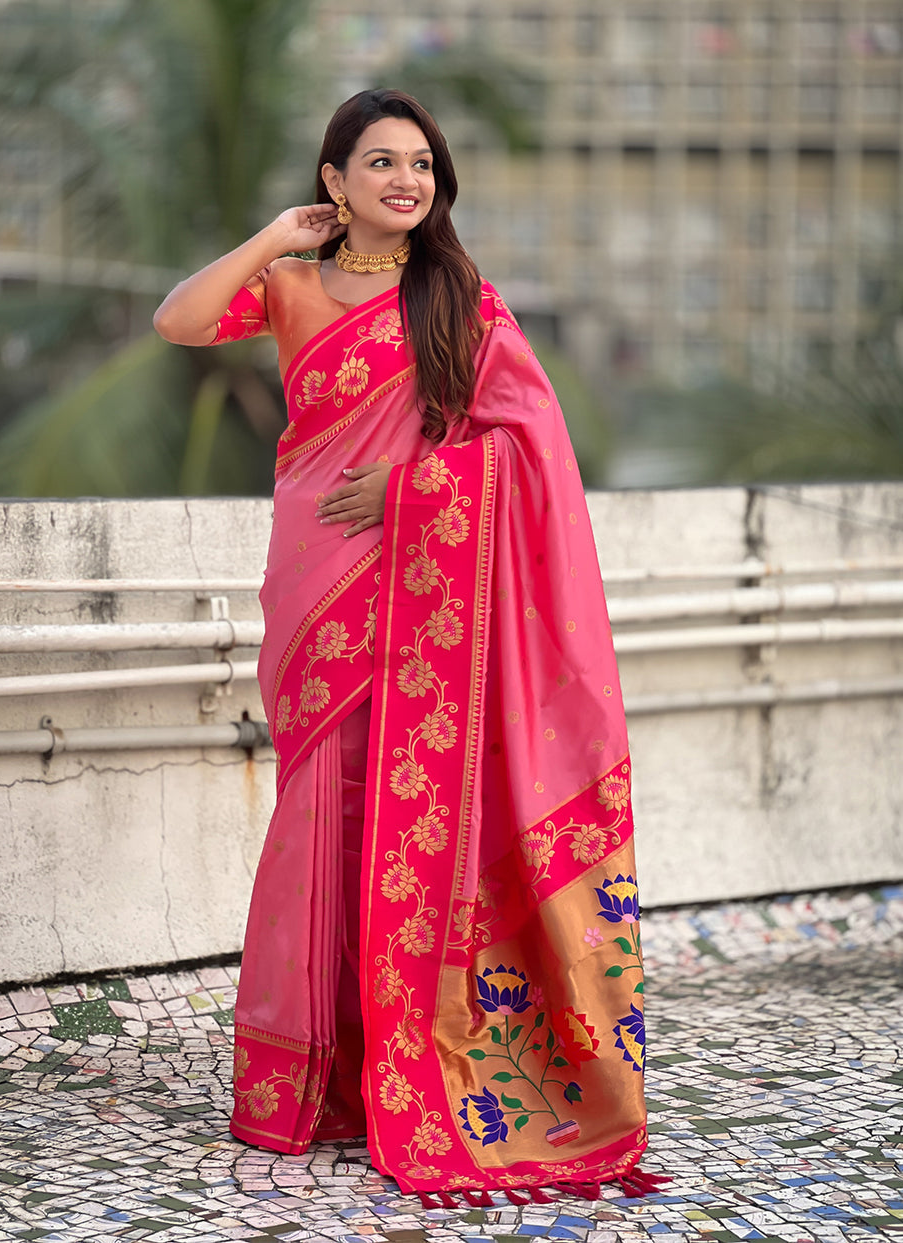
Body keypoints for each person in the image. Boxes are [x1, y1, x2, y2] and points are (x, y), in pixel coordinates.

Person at [154, 88, 666, 1207]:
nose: (404, 180)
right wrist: (274, 237)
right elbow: (179, 322)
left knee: (405, 817)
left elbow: (527, 447)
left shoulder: (457, 297)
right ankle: (307, 1083)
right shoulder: (289, 284)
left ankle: (402, 1062)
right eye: (378, 161)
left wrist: (417, 483)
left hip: (421, 584)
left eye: (421, 165)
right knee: (317, 816)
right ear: (332, 179)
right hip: (310, 583)